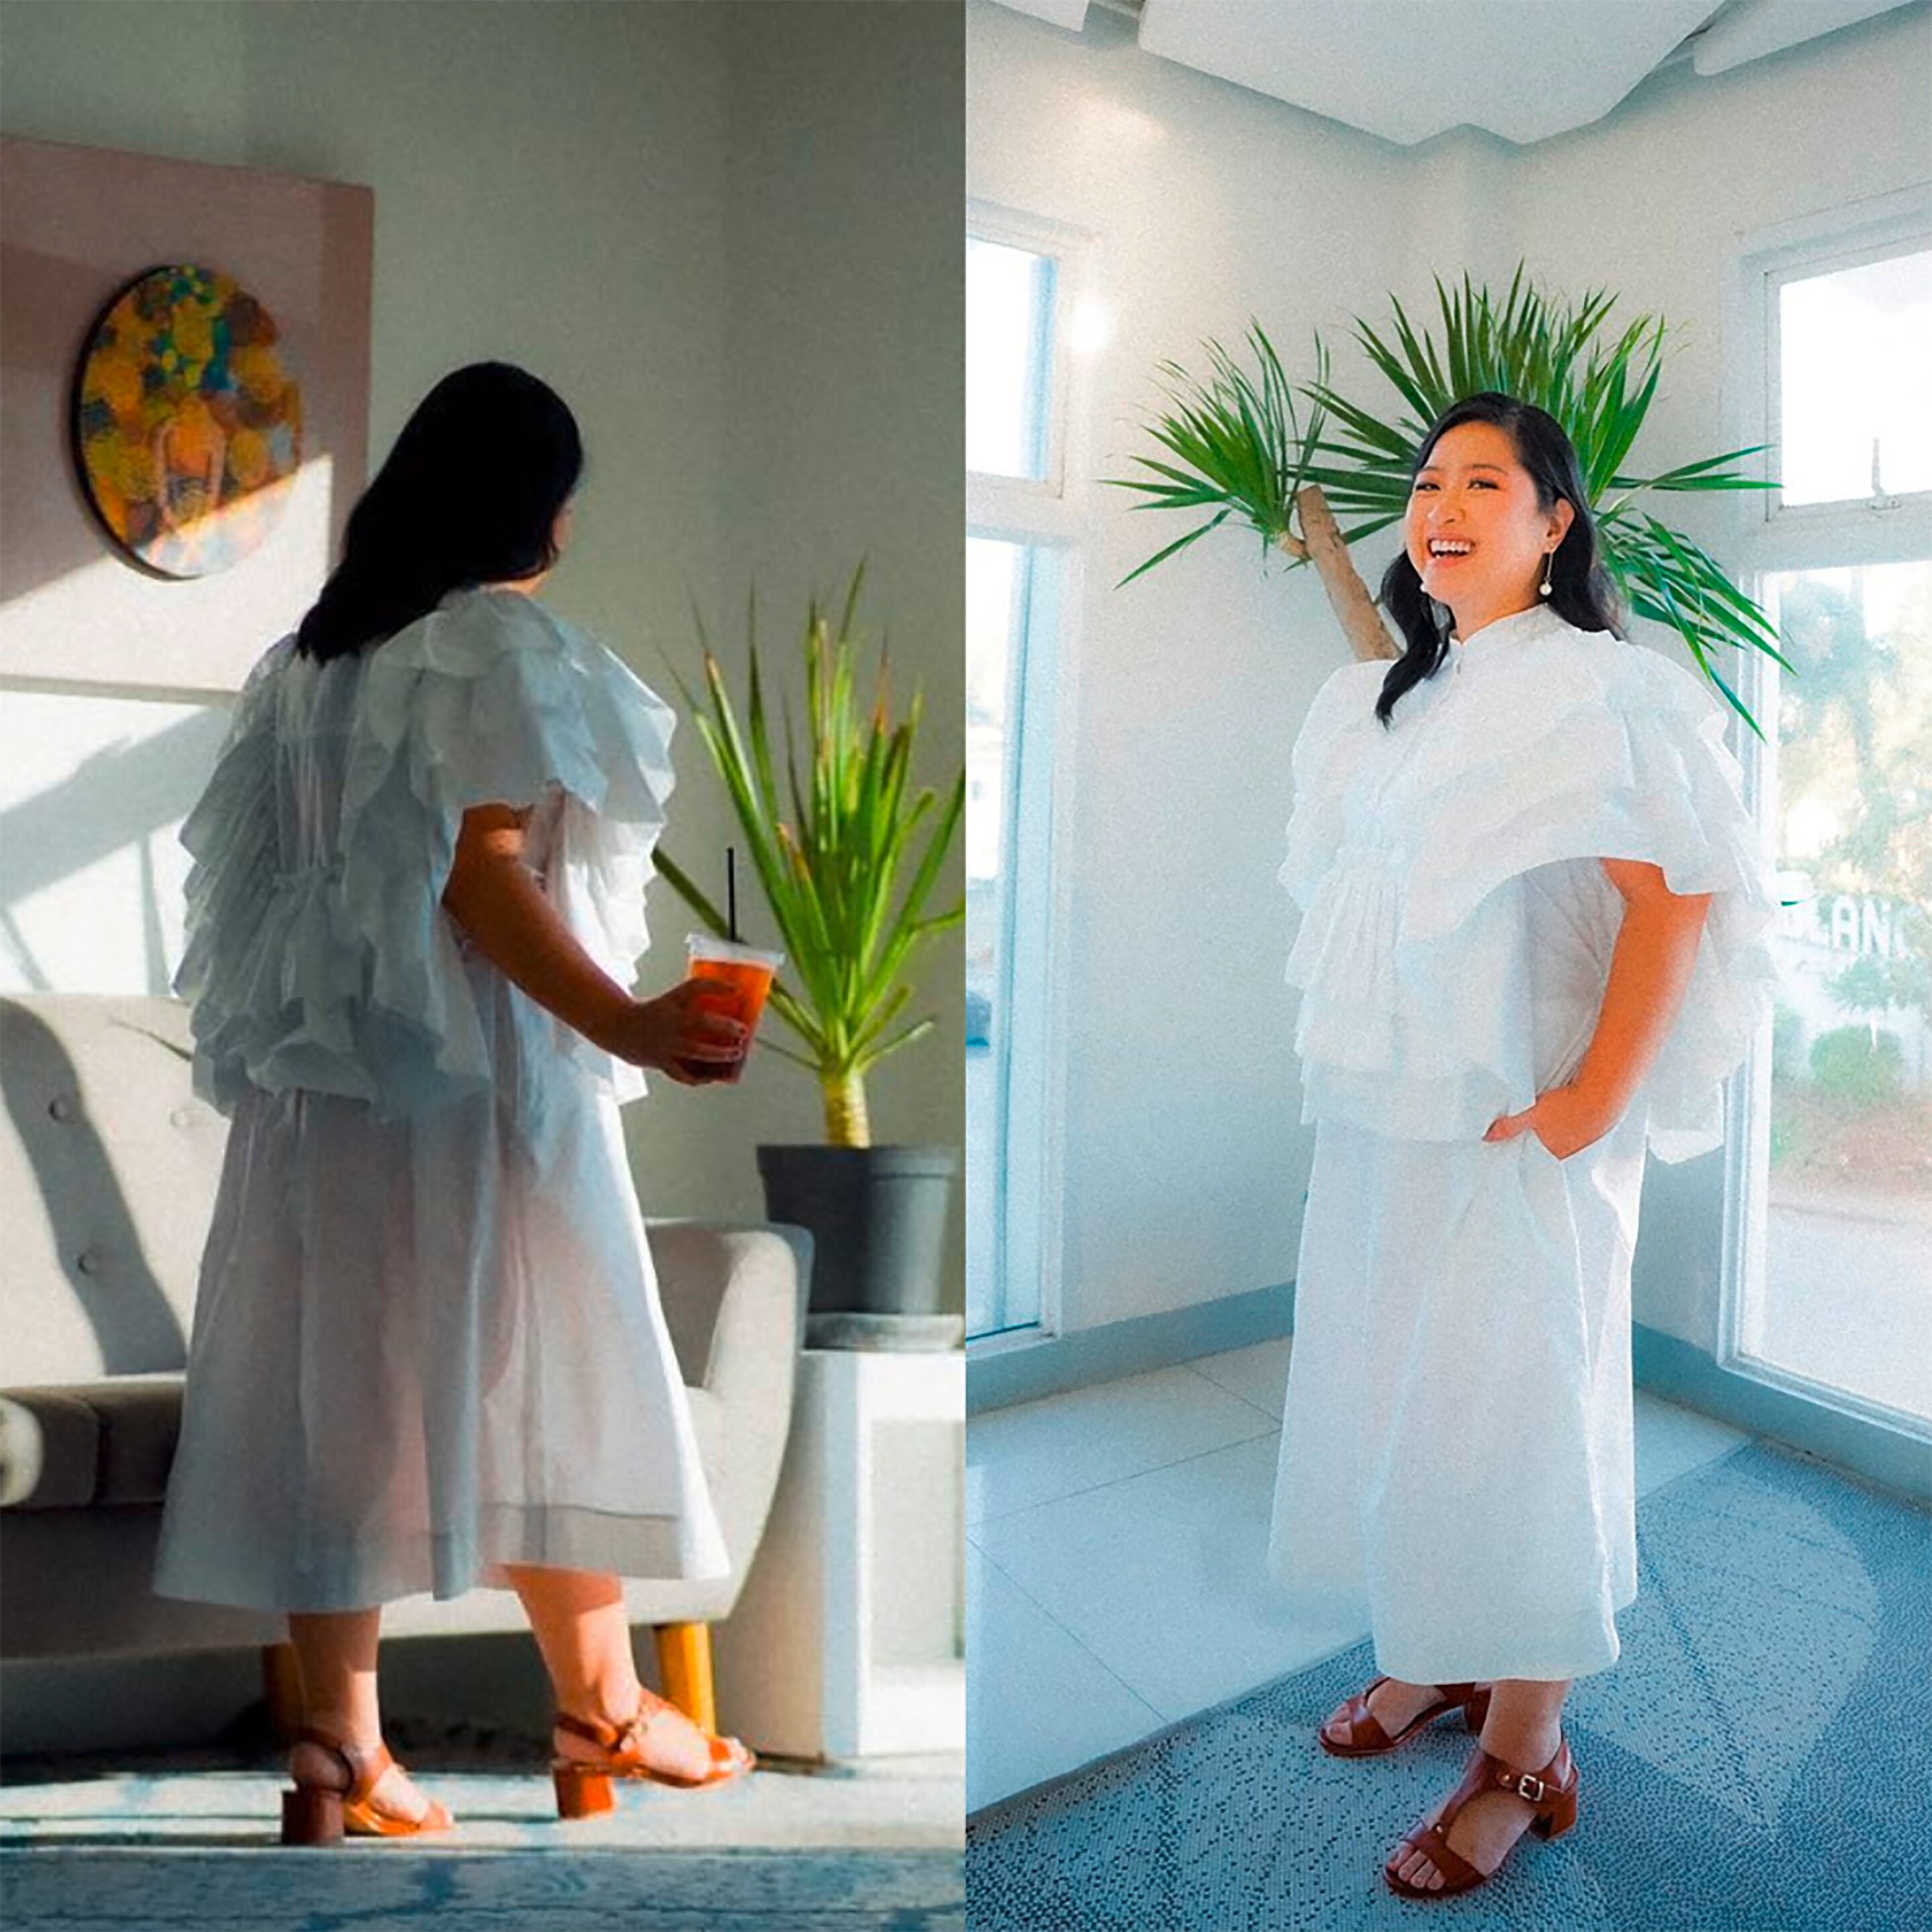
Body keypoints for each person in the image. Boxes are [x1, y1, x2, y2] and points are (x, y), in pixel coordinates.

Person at [152, 362, 758, 1844]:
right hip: (479, 1080)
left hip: (325, 1098)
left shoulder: (307, 669)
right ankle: (600, 1707)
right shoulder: (486, 642)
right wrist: (631, 1022)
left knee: (339, 1396)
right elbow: (479, 878)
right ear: (530, 510)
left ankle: (340, 1749)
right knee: (546, 1363)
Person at [1265, 391, 1778, 1898]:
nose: (1443, 506)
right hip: (1394, 1123)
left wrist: (1589, 1106)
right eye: (1430, 482)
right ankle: (1442, 1652)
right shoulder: (1392, 700)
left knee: (1521, 1415)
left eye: (1485, 483)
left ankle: (1527, 1747)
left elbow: (1675, 898)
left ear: (1556, 524)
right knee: (1414, 1400)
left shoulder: (1597, 690)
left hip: (1523, 1128)